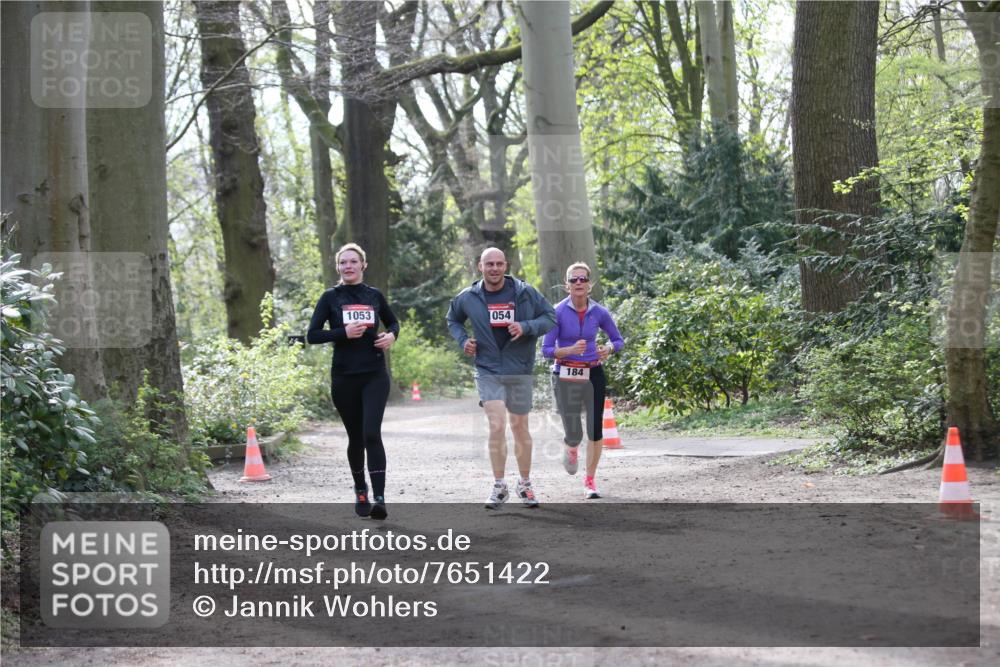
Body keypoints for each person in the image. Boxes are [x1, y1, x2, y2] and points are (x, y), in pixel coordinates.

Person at [447, 247, 556, 509]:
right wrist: (464, 341)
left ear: (506, 266)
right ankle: (499, 485)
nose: (494, 268)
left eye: (498, 264)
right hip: (488, 368)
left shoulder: (524, 292)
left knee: (519, 427)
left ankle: (525, 483)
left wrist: (526, 327)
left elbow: (550, 317)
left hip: (519, 367)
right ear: (480, 267)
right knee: (496, 425)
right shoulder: (468, 297)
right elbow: (453, 320)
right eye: (489, 264)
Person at [307, 243, 399, 520]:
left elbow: (393, 323)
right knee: (356, 437)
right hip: (344, 376)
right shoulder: (330, 297)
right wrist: (342, 332)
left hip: (374, 374)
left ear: (363, 265)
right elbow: (313, 335)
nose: (348, 266)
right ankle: (361, 489)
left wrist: (392, 336)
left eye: (353, 262)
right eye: (343, 263)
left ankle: (380, 499)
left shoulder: (373, 295)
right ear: (338, 267)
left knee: (372, 433)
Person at [542, 262, 624, 499]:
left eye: (583, 279)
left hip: (593, 372)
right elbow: (546, 349)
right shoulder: (556, 312)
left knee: (595, 429)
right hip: (565, 373)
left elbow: (618, 340)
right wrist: (567, 350)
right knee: (574, 430)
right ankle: (571, 446)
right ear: (566, 285)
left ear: (590, 284)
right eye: (573, 279)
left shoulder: (599, 312)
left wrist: (608, 348)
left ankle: (590, 481)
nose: (578, 283)